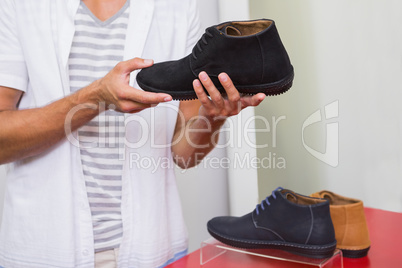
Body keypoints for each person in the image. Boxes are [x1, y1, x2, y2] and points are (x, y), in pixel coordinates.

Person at [0, 0, 265, 267]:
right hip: (41, 251)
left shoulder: (179, 7)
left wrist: (212, 117)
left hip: (152, 248)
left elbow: (184, 155)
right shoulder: (19, 5)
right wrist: (96, 98)